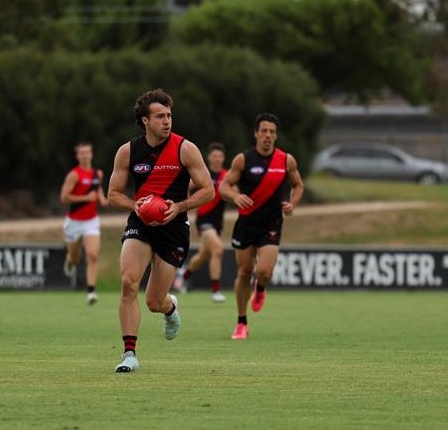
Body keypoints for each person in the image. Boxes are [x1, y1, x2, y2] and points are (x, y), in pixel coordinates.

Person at [107, 88, 214, 373]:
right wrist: (136, 206)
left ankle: (170, 308)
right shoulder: (128, 151)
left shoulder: (185, 149)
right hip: (140, 225)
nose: (167, 121)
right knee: (129, 282)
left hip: (174, 228)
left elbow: (209, 191)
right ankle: (129, 354)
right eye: (160, 116)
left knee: (154, 301)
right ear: (145, 120)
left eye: (169, 115)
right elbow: (113, 194)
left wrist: (179, 207)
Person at [219, 113, 304, 340]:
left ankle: (262, 288)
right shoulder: (243, 159)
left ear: (276, 135)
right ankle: (241, 322)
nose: (268, 135)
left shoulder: (286, 160)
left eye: (272, 132)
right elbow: (224, 187)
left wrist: (292, 204)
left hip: (272, 223)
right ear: (256, 133)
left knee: (264, 271)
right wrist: (235, 197)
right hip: (246, 223)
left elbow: (298, 185)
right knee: (244, 272)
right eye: (264, 131)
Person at [174, 142, 229, 303]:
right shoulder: (204, 175)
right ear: (209, 158)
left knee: (204, 256)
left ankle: (183, 275)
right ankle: (216, 291)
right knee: (218, 250)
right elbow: (186, 186)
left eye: (220, 156)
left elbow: (233, 192)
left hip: (218, 223)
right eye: (214, 156)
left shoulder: (227, 175)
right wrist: (184, 204)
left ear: (223, 158)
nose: (217, 159)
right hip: (204, 220)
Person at [60, 141, 108, 305]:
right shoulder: (74, 175)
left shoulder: (97, 174)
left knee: (93, 255)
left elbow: (97, 189)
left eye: (87, 152)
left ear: (91, 154)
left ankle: (91, 291)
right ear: (77, 156)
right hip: (74, 222)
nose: (85, 155)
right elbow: (64, 197)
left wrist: (104, 200)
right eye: (82, 153)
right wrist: (85, 198)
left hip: (91, 221)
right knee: (75, 259)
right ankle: (69, 261)